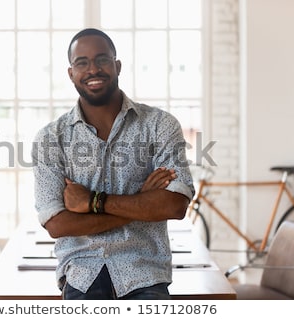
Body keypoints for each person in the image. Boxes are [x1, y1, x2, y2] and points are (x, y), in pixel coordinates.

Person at [32, 28, 194, 300]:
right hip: (82, 274)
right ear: (71, 73)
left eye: (102, 59)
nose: (93, 69)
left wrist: (93, 202)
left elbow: (174, 205)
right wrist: (143, 201)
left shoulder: (159, 125)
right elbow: (57, 224)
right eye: (81, 62)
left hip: (145, 276)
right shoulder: (51, 138)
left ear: (117, 65)